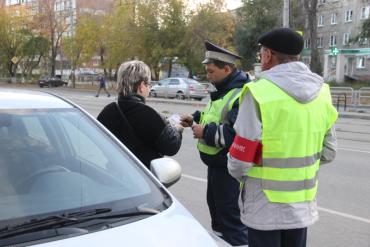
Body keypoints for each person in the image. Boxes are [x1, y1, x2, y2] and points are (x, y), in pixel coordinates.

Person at [227, 28, 338, 247]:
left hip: (263, 207)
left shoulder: (258, 92)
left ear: (268, 55)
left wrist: (242, 175)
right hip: (301, 207)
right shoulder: (323, 92)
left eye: (261, 53)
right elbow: (329, 151)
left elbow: (240, 160)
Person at [181, 41, 250, 246]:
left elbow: (237, 134)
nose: (208, 76)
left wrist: (206, 132)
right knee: (219, 221)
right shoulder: (223, 89)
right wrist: (195, 119)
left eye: (211, 71)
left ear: (226, 68)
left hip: (230, 171)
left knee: (233, 224)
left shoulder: (241, 93)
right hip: (217, 168)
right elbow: (215, 117)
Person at [97, 60, 183, 169]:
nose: (149, 89)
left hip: (114, 174)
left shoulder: (107, 112)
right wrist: (177, 128)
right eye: (148, 84)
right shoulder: (148, 114)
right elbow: (172, 146)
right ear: (142, 86)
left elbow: (98, 143)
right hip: (142, 179)